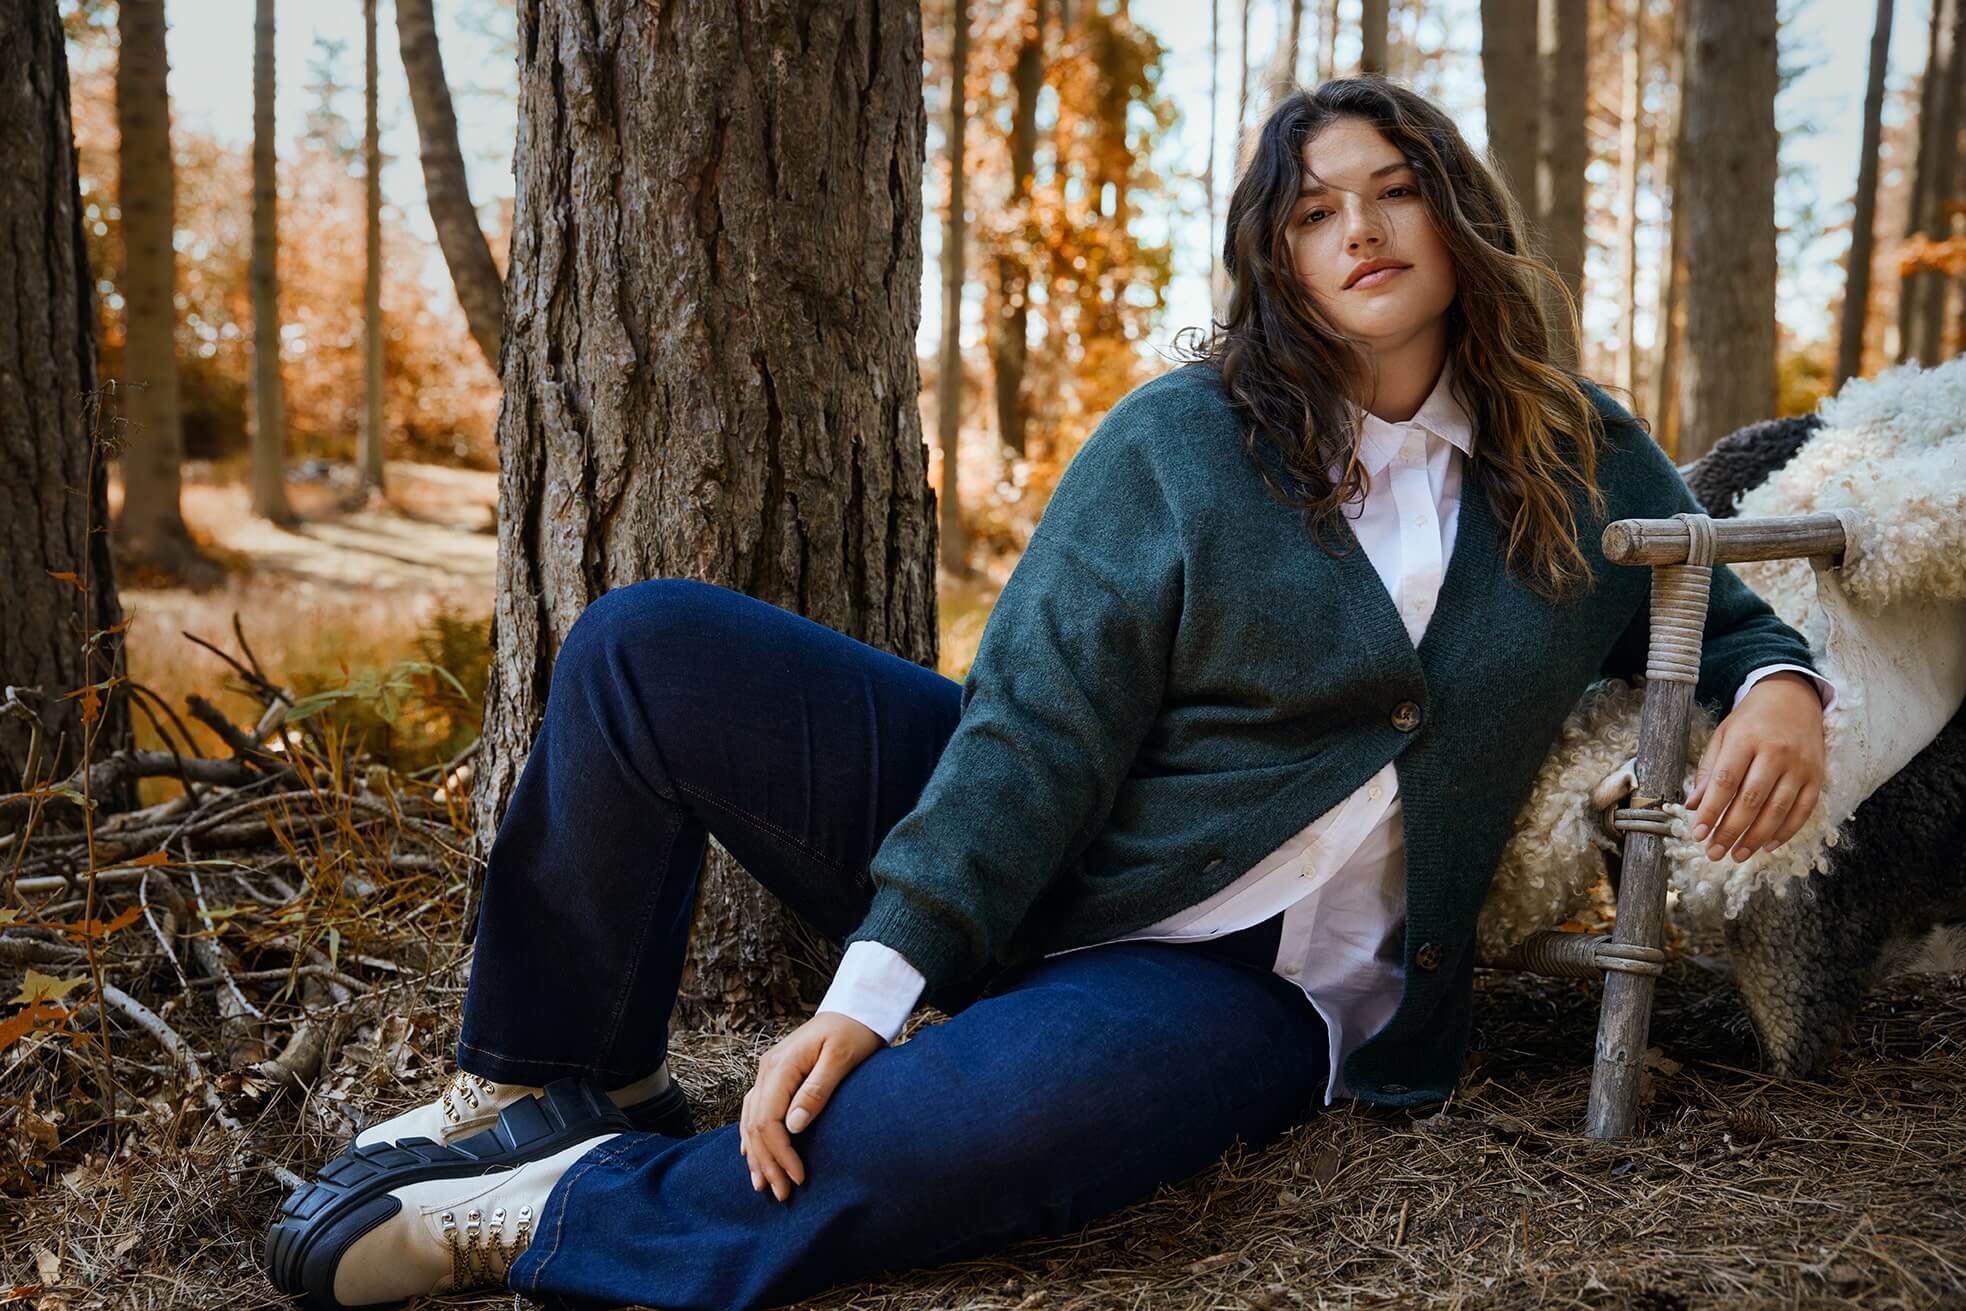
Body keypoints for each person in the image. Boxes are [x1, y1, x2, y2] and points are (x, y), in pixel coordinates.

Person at [264, 75, 1835, 1311]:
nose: (1357, 227)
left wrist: (1780, 688)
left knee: (977, 1134)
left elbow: (1722, 600)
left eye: (1394, 189)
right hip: (1043, 843)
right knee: (645, 644)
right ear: (1272, 258)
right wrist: (875, 986)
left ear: (1453, 219)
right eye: (1310, 212)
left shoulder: (1569, 449)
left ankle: (557, 1215)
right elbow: (1032, 729)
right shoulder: (1182, 443)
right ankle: (568, 1078)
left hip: (1242, 985)